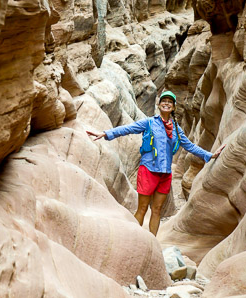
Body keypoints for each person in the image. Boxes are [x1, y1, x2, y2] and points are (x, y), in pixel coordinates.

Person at [86, 91, 225, 237]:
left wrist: (210, 155)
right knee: (142, 208)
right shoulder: (149, 123)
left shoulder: (177, 129)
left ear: (173, 107)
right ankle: (133, 238)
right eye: (163, 101)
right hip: (148, 170)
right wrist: (106, 134)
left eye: (169, 102)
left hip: (165, 174)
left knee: (157, 209)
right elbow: (128, 128)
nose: (166, 103)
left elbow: (190, 146)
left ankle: (152, 241)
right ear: (159, 105)